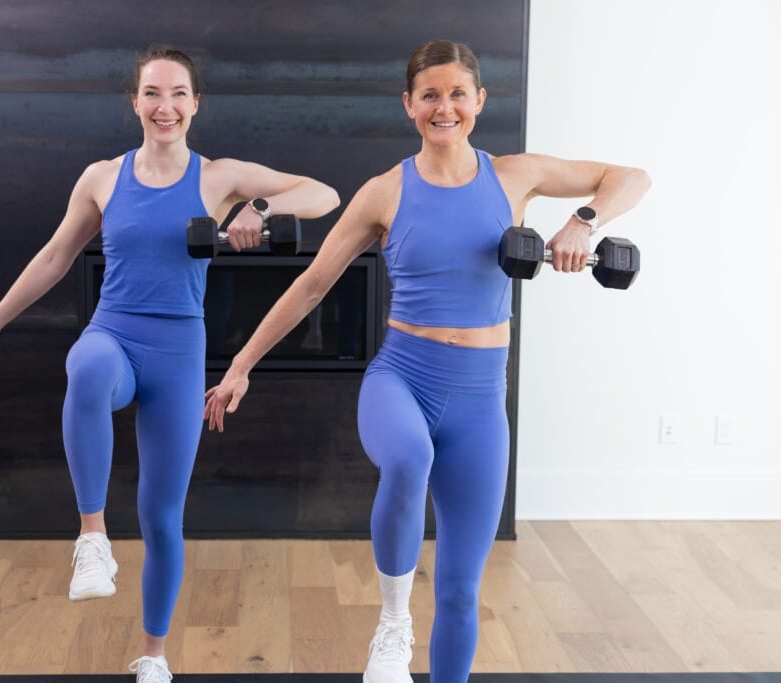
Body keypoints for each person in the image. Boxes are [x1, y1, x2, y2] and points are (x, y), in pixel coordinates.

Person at [204, 40, 650, 683]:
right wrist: (241, 364)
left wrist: (583, 219)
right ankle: (391, 625)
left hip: (479, 398)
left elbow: (632, 177)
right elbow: (311, 286)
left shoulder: (516, 176)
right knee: (408, 459)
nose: (446, 108)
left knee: (463, 591)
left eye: (458, 94)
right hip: (403, 378)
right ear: (410, 105)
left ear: (479, 102)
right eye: (431, 95)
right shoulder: (384, 192)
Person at [0, 46, 340, 682]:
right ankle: (93, 540)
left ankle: (154, 658)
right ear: (135, 103)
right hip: (117, 333)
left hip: (178, 354)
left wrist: (261, 207)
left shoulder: (219, 177)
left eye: (178, 93)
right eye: (153, 93)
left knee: (163, 516)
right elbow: (54, 257)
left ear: (195, 103)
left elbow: (323, 193)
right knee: (87, 367)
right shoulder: (103, 177)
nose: (166, 106)